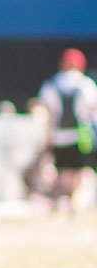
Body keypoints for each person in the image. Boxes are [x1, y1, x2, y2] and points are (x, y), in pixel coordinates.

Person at [37, 49, 97, 210]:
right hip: (80, 137)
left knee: (62, 171)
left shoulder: (52, 84)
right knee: (78, 172)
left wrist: (46, 139)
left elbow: (46, 114)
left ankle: (65, 201)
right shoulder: (86, 84)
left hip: (58, 137)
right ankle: (73, 203)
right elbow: (92, 111)